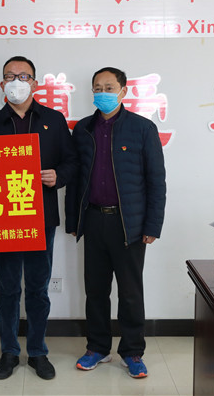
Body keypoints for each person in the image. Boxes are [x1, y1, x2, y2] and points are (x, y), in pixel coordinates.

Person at [0, 55, 77, 380]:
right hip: (2, 220)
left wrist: (57, 177)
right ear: (2, 83)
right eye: (10, 76)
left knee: (37, 289)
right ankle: (9, 351)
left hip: (41, 218)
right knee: (6, 290)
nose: (16, 81)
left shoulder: (53, 119)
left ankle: (37, 351)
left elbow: (71, 162)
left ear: (35, 83)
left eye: (24, 76)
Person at [66, 66, 166, 379]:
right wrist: (74, 220)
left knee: (130, 293)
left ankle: (133, 352)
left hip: (129, 224)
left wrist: (152, 225)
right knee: (95, 291)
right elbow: (76, 179)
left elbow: (156, 181)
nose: (103, 93)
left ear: (123, 91)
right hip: (94, 220)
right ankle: (97, 348)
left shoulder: (142, 128)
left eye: (109, 88)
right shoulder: (83, 129)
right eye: (97, 88)